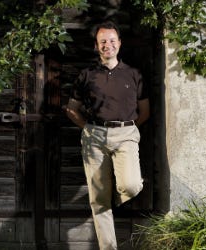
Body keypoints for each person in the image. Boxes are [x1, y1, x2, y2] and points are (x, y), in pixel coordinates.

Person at [64, 21, 149, 250]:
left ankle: (117, 197)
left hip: (126, 133)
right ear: (97, 46)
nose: (107, 45)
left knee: (131, 185)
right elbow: (72, 108)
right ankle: (108, 247)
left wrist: (127, 129)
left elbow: (145, 111)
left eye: (112, 40)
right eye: (103, 41)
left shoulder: (133, 74)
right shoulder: (87, 75)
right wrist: (88, 128)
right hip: (94, 135)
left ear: (119, 44)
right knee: (99, 200)